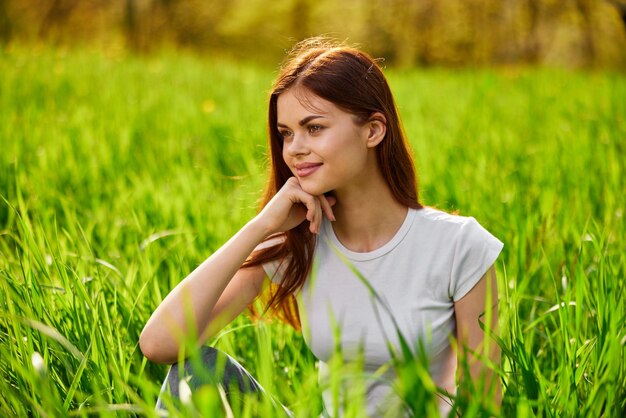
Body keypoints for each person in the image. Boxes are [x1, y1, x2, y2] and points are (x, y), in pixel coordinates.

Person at [139, 37, 504, 417]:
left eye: (314, 128)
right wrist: (263, 225)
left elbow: (483, 403)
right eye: (286, 133)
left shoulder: (459, 246)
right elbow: (161, 345)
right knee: (198, 372)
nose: (294, 148)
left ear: (373, 130)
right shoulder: (300, 241)